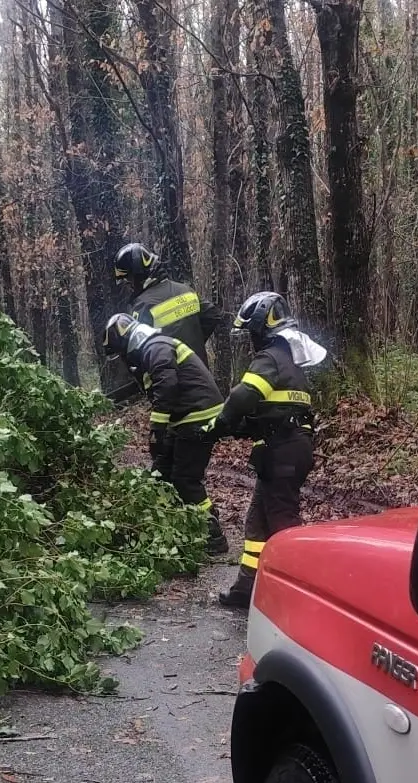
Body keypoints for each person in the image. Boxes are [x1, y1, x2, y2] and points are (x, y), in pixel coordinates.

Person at [211, 292, 327, 608]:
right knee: (257, 523)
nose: (250, 338)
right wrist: (239, 427)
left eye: (251, 330)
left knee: (282, 521)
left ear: (263, 325)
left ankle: (302, 593)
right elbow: (272, 411)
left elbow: (244, 396)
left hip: (283, 451)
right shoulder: (290, 358)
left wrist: (220, 423)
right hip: (286, 446)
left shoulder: (270, 357)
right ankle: (247, 589)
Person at [104, 313, 229, 555]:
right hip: (187, 416)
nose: (122, 358)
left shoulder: (155, 347)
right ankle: (181, 522)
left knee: (184, 479)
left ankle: (213, 535)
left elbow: (167, 385)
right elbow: (143, 385)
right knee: (162, 472)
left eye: (120, 352)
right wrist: (107, 400)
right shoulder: (151, 349)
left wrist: (157, 430)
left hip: (197, 417)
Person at [113, 243, 221, 367]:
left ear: (138, 275)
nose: (129, 285)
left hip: (170, 379)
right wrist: (193, 344)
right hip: (201, 375)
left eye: (129, 279)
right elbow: (212, 315)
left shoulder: (142, 306)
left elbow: (138, 351)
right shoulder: (186, 290)